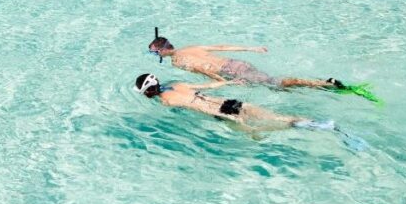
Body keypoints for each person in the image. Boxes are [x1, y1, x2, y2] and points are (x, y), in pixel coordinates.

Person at [147, 28, 382, 104]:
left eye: (154, 52)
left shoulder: (179, 61)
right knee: (276, 85)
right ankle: (323, 85)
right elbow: (222, 47)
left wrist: (225, 82)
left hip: (231, 71)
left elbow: (204, 70)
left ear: (161, 51)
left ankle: (328, 84)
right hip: (237, 62)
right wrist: (252, 49)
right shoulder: (190, 47)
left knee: (278, 83)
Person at [133, 73, 359, 145]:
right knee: (278, 117)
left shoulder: (167, 100)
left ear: (149, 91)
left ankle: (316, 128)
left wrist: (234, 122)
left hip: (223, 113)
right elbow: (210, 85)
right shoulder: (178, 85)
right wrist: (230, 82)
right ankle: (321, 124)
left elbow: (199, 109)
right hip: (232, 101)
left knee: (259, 134)